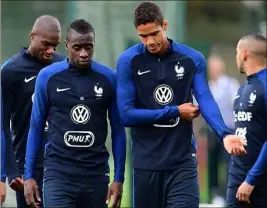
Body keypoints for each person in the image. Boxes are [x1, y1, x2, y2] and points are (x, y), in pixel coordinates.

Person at [116, 2, 247, 208]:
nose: (149, 41)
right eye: (143, 36)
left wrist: (224, 133)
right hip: (146, 164)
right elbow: (126, 115)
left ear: (165, 25)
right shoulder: (128, 61)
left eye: (154, 33)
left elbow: (204, 97)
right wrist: (175, 111)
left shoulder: (192, 58)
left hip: (182, 163)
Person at [24, 19, 126, 208]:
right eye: (77, 47)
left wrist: (119, 177)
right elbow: (36, 127)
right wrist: (29, 175)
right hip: (58, 176)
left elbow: (118, 130)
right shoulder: (47, 77)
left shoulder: (109, 79)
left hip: (95, 177)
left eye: (89, 47)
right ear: (67, 46)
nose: (84, 53)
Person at [1, 15, 65, 208]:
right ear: (32, 36)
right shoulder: (10, 72)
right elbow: (2, 125)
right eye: (46, 44)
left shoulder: (63, 66)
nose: (51, 50)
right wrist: (9, 172)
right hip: (27, 168)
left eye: (55, 45)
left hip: (61, 163)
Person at [226, 33, 267, 208]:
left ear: (243, 53)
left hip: (259, 178)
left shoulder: (264, 86)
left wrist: (251, 179)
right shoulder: (243, 87)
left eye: (236, 52)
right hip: (237, 174)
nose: (236, 57)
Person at [206, 54, 240, 204]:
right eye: (211, 67)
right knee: (212, 163)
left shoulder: (231, 85)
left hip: (228, 129)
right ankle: (213, 194)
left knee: (227, 163)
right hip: (211, 131)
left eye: (216, 66)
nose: (214, 70)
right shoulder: (207, 86)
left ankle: (225, 194)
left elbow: (237, 105)